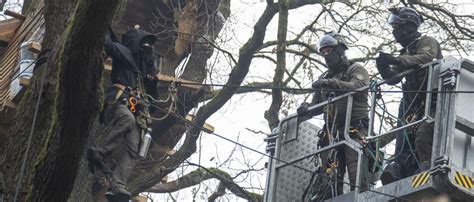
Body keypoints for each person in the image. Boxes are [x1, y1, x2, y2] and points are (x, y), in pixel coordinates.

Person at [87, 26, 158, 200]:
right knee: (127, 119)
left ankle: (118, 184)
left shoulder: (143, 74)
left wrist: (152, 82)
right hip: (118, 102)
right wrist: (102, 23)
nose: (147, 50)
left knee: (133, 148)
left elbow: (154, 101)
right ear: (136, 43)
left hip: (135, 112)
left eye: (149, 47)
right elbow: (108, 44)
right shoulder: (124, 53)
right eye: (144, 45)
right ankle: (101, 153)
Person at [297, 32, 370, 197]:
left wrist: (332, 84)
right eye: (323, 52)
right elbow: (317, 105)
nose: (326, 55)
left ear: (340, 50)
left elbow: (358, 85)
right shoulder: (325, 77)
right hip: (331, 133)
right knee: (330, 173)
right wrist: (306, 108)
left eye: (329, 50)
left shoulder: (355, 69)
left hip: (354, 128)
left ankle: (362, 198)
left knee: (355, 167)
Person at [376, 7, 442, 184]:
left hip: (433, 101)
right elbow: (392, 80)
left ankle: (427, 170)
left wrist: (396, 60)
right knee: (402, 139)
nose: (394, 31)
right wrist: (383, 67)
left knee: (422, 136)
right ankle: (399, 172)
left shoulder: (427, 41)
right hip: (411, 104)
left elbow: (425, 58)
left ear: (409, 26)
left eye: (397, 26)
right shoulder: (405, 53)